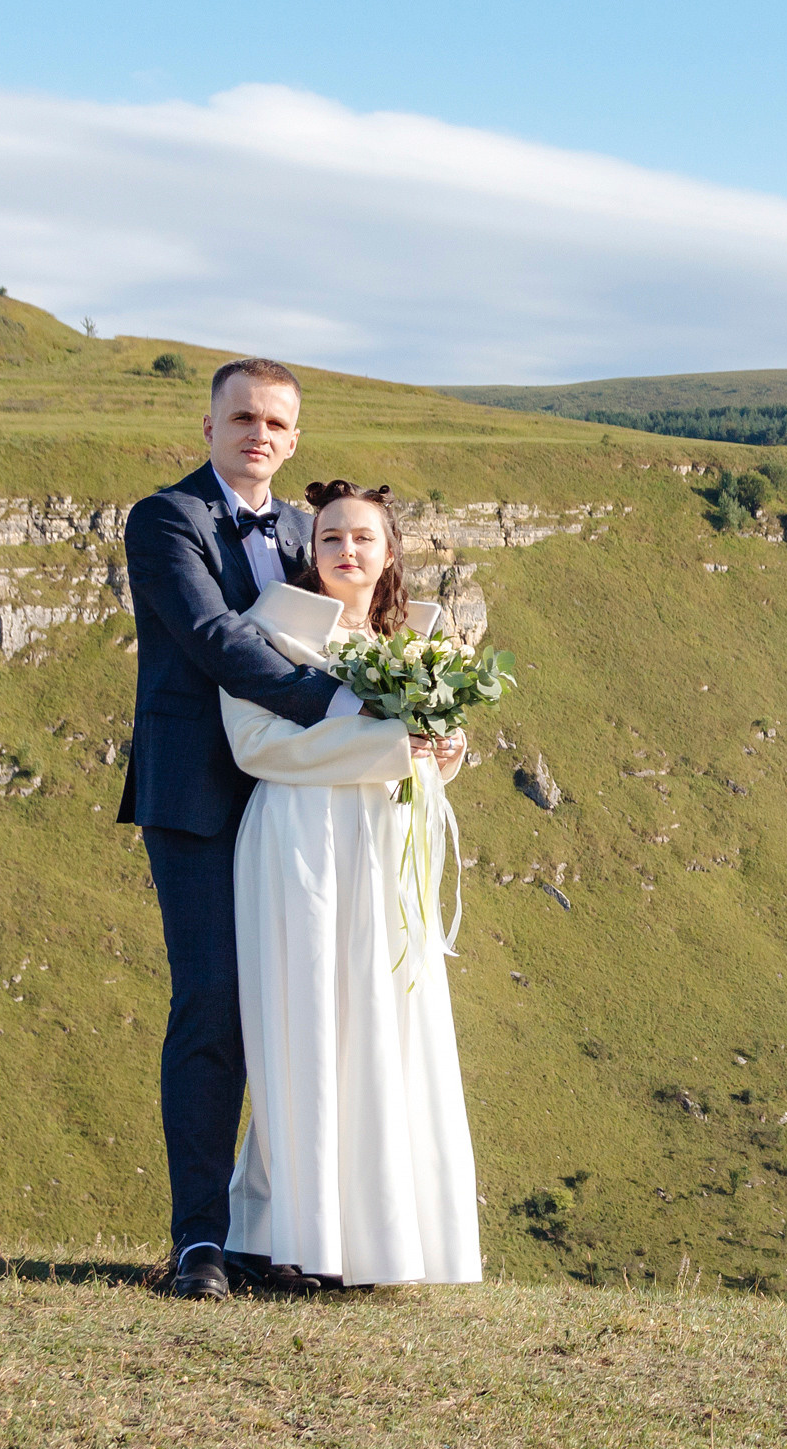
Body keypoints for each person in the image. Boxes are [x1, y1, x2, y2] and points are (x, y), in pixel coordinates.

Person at [118, 357, 344, 1300]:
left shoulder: (302, 529)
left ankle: (280, 1236)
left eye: (277, 425)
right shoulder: (165, 519)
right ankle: (199, 1243)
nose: (259, 435)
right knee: (214, 1007)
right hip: (202, 797)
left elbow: (363, 617)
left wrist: (416, 720)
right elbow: (212, 636)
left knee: (300, 1012)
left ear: (294, 441)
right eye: (243, 418)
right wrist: (334, 706)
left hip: (297, 798)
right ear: (207, 428)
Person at [217, 481, 479, 1288]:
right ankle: (286, 1237)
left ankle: (384, 1242)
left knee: (386, 1022)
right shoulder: (269, 632)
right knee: (308, 1022)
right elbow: (256, 746)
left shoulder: (421, 643)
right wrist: (388, 749)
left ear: (389, 551)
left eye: (364, 538)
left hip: (385, 847)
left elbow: (427, 754)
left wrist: (444, 752)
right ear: (311, 550)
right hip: (300, 842)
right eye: (330, 538)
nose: (347, 551)